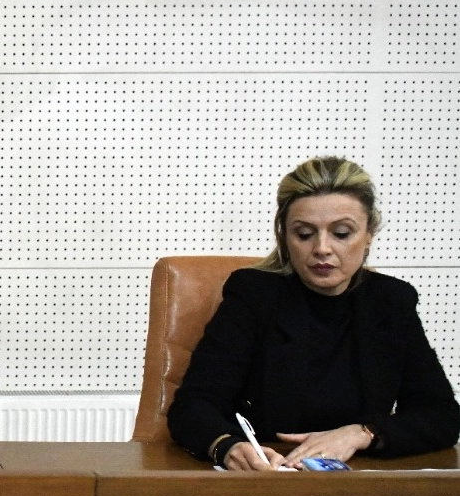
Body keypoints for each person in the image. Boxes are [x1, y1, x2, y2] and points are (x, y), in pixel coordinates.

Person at [168, 156, 459, 471]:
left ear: (369, 235)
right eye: (305, 234)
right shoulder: (253, 295)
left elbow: (441, 415)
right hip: (269, 472)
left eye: (342, 233)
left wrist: (362, 434)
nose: (322, 248)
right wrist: (227, 447)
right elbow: (193, 406)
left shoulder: (391, 302)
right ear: (284, 236)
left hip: (359, 478)